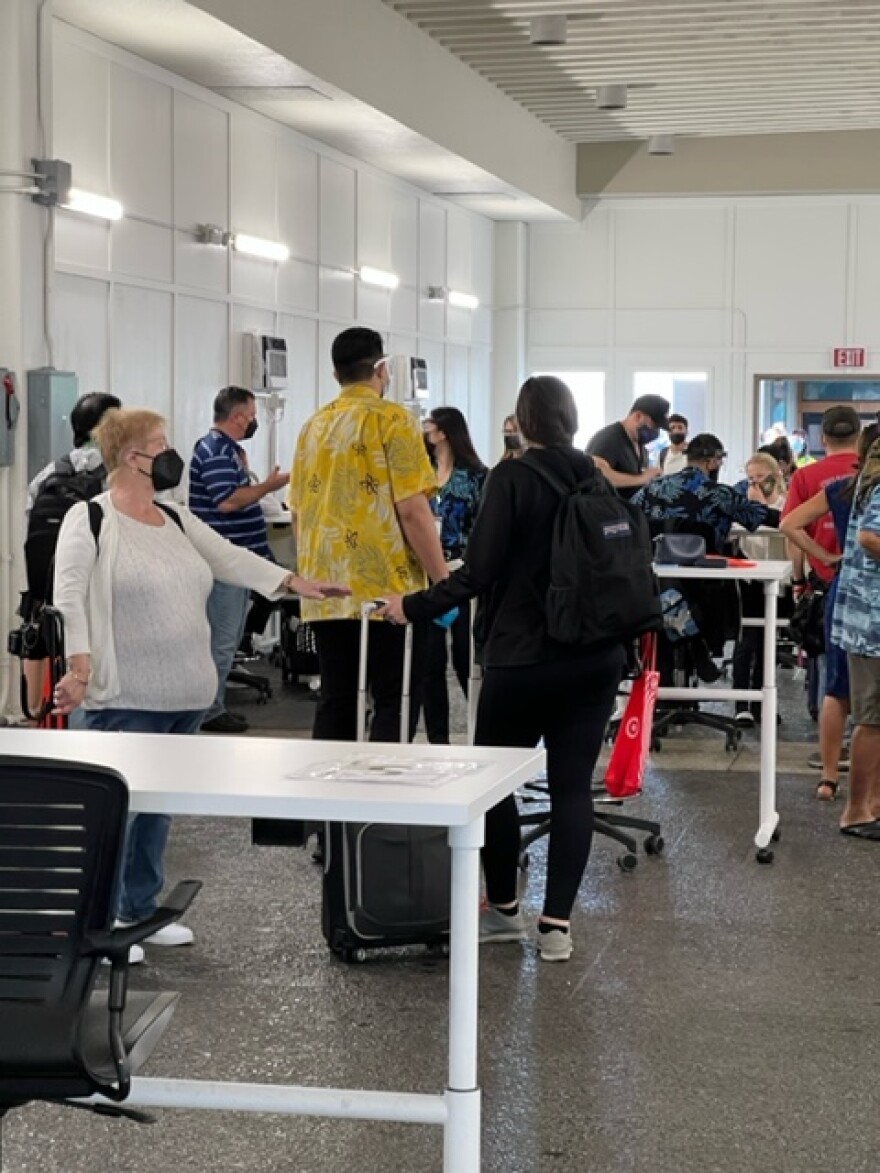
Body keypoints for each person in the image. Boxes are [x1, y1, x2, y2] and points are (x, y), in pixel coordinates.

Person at [52, 408, 347, 961]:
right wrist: (80, 667)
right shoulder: (89, 520)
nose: (171, 454)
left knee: (156, 812)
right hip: (125, 698)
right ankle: (104, 921)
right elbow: (69, 597)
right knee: (120, 813)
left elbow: (232, 559)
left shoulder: (178, 519)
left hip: (185, 695)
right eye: (159, 445)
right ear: (131, 458)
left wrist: (294, 582)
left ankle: (138, 911)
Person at [380, 376, 627, 963]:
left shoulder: (511, 477)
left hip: (523, 657)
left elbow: (480, 572)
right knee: (572, 790)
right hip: (594, 657)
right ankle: (557, 929)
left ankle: (506, 913)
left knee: (493, 786)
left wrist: (411, 605)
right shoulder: (597, 475)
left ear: (522, 420)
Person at [288, 327, 447, 742]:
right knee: (396, 699)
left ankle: (328, 801)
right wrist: (444, 582)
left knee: (337, 699)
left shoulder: (312, 427)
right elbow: (413, 511)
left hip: (326, 589)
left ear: (336, 372)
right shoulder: (394, 420)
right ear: (382, 368)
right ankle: (381, 802)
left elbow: (299, 512)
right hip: (388, 591)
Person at [781, 423, 880, 801]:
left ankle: (828, 777)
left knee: (836, 690)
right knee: (871, 706)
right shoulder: (872, 494)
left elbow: (789, 523)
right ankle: (866, 792)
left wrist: (825, 559)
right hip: (869, 596)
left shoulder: (842, 491)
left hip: (844, 588)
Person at [189, 386, 290, 734]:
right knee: (221, 640)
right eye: (252, 417)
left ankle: (210, 706)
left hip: (238, 560)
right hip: (224, 563)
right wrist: (269, 486)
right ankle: (209, 711)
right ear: (236, 417)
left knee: (227, 639)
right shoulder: (215, 451)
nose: (254, 423)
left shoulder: (229, 451)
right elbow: (228, 501)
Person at [20, 392, 121, 717]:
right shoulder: (116, 475)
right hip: (98, 598)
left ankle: (41, 719)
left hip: (44, 598)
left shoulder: (48, 474)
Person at [782, 406, 861, 721]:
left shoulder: (805, 475)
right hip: (869, 581)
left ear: (823, 437)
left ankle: (832, 741)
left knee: (829, 660)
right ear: (859, 436)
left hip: (828, 578)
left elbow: (790, 529)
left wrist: (800, 578)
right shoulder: (868, 474)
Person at [421, 407, 487, 743]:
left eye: (429, 424)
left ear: (444, 431)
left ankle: (482, 734)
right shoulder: (419, 472)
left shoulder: (476, 476)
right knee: (430, 664)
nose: (425, 429)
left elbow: (484, 527)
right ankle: (437, 740)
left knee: (467, 660)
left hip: (463, 573)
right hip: (426, 573)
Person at [830, 436, 880, 838]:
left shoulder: (865, 482)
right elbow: (869, 536)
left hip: (864, 617)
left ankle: (872, 805)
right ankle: (856, 812)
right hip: (873, 623)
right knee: (872, 720)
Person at [631, 433, 778, 554]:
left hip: (657, 574)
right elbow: (759, 516)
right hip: (706, 577)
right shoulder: (720, 494)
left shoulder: (653, 487)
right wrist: (758, 502)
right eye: (720, 462)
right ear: (711, 462)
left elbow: (629, 514)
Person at [731, 452, 787, 727]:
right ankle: (742, 703)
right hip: (750, 581)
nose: (755, 483)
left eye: (760, 477)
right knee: (746, 642)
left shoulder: (788, 505)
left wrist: (764, 508)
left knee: (769, 645)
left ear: (776, 476)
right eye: (750, 478)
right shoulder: (744, 507)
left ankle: (765, 701)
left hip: (778, 581)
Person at [586, 394, 669, 499]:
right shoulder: (609, 439)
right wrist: (642, 478)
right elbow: (598, 475)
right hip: (608, 512)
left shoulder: (640, 446)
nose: (655, 431)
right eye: (653, 426)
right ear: (638, 416)